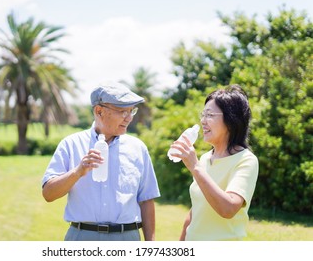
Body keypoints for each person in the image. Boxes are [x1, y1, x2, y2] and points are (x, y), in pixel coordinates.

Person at [41, 82, 160, 241]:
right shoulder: (71, 144)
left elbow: (146, 200)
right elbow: (48, 194)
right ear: (99, 111)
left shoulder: (138, 148)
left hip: (128, 239)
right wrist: (78, 172)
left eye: (131, 111)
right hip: (82, 238)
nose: (129, 118)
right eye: (123, 111)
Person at [169, 84, 259, 241]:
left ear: (231, 120)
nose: (203, 121)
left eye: (210, 115)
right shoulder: (204, 159)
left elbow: (228, 208)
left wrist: (195, 167)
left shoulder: (246, 160)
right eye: (202, 115)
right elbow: (195, 212)